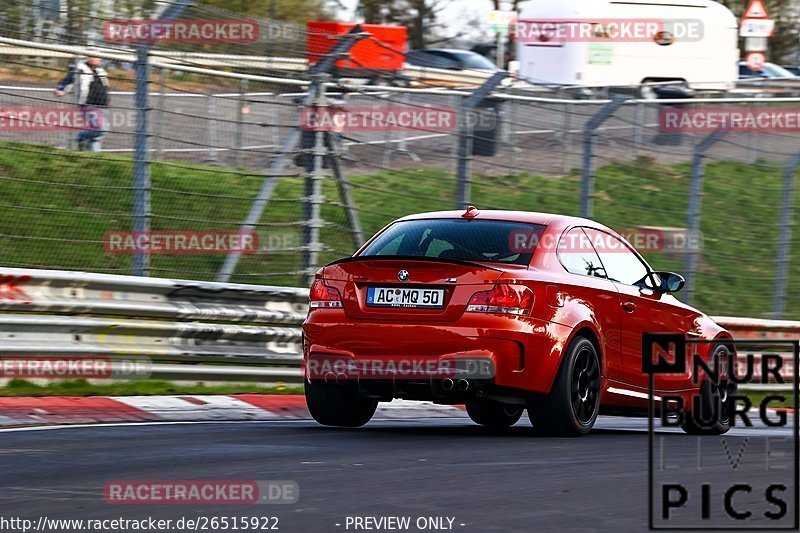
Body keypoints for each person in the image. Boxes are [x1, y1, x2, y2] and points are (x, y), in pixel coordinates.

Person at [55, 56, 110, 151]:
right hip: (89, 104)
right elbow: (67, 80)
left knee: (96, 136)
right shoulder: (80, 69)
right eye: (93, 56)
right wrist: (61, 89)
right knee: (100, 129)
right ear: (88, 57)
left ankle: (93, 159)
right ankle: (79, 138)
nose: (95, 59)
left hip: (103, 104)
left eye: (98, 57)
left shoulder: (101, 71)